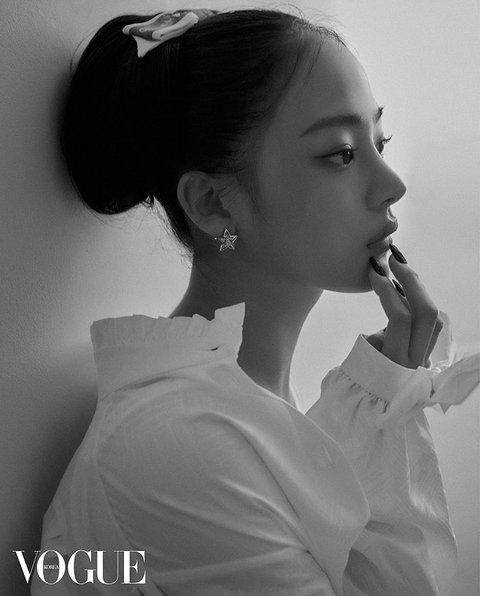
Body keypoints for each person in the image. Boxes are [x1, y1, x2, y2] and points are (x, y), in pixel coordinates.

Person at [31, 7, 479, 595]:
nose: (393, 184)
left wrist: (384, 397)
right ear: (214, 204)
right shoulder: (179, 442)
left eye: (379, 141)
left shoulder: (239, 411)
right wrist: (379, 407)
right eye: (342, 153)